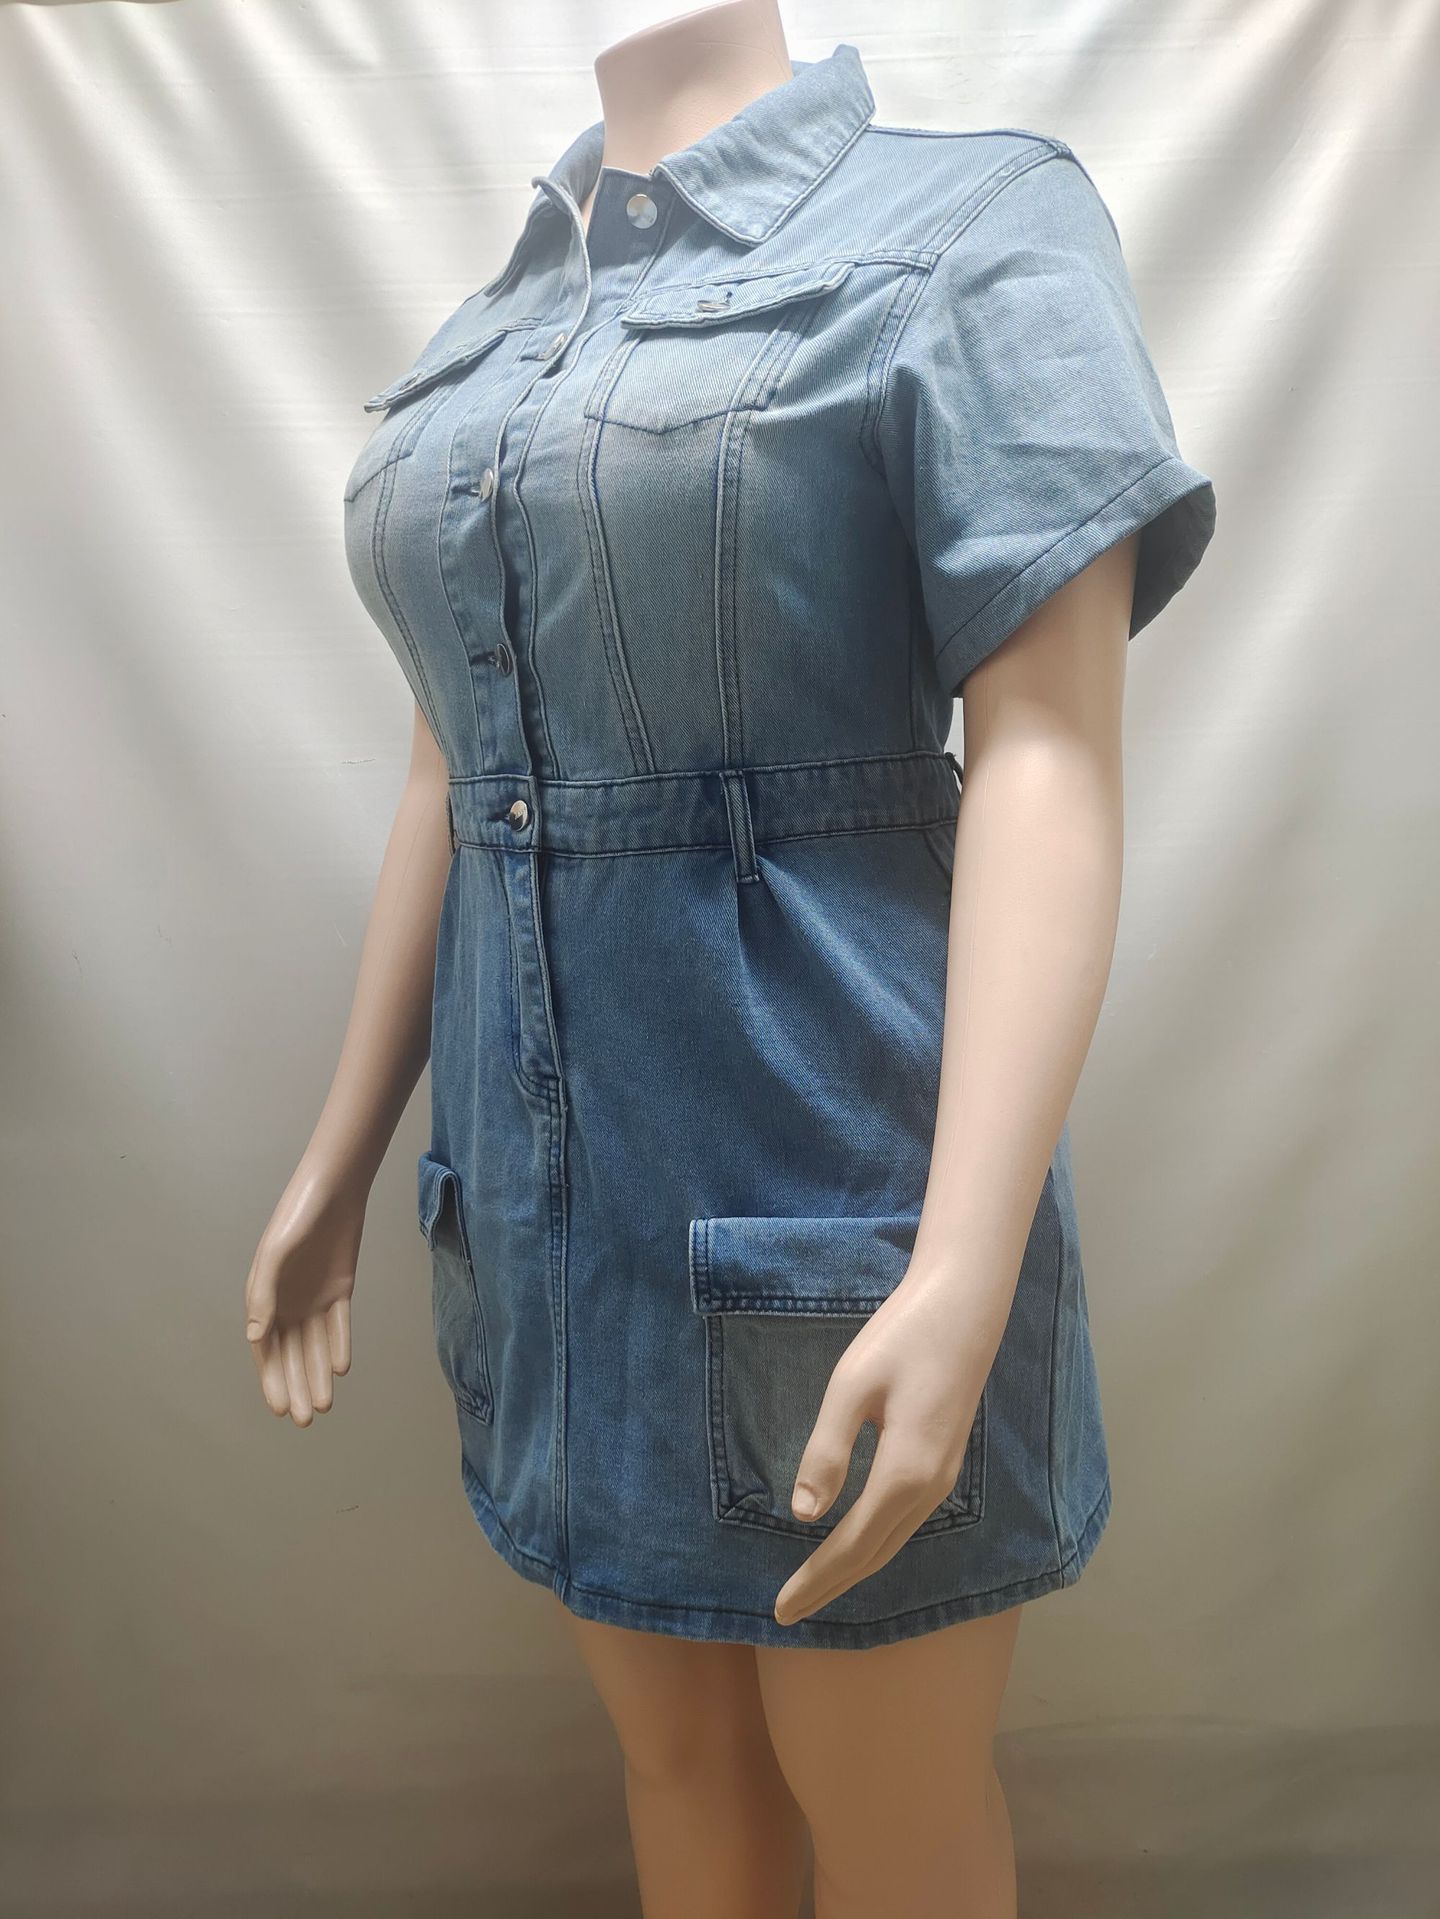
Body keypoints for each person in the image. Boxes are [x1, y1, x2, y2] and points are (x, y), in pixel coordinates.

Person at [244, 8, 1215, 1914]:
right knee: (676, 1769)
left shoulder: (972, 224)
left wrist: (963, 1269)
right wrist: (339, 1155)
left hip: (834, 1196)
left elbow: (1047, 752)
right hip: (545, 1219)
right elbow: (454, 770)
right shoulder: (491, 333)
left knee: (893, 1811)